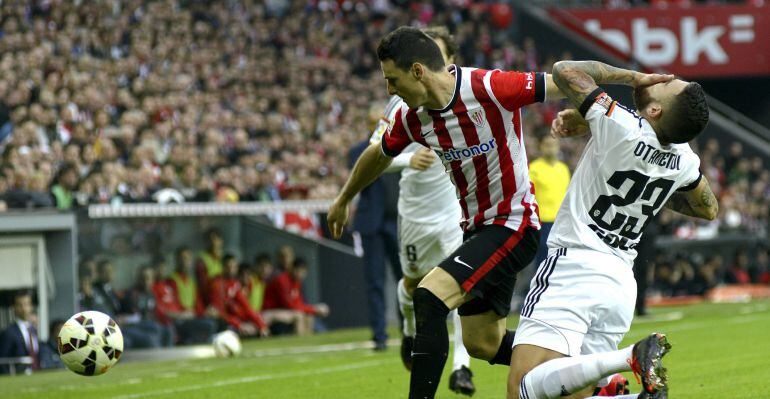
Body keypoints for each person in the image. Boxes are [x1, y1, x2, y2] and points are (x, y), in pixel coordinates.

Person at [327, 26, 565, 398]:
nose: (390, 89)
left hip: (511, 223)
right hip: (457, 222)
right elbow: (378, 152)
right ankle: (586, 367)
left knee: (430, 295)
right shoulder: (410, 114)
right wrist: (344, 197)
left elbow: (560, 81)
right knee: (483, 342)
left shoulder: (485, 88)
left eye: (393, 79)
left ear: (431, 67)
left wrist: (617, 91)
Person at [509, 60, 717, 399]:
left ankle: (628, 357)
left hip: (574, 266)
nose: (663, 78)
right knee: (571, 392)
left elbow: (564, 70)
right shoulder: (684, 160)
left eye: (666, 84)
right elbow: (708, 208)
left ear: (654, 109)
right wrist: (657, 187)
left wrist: (635, 77)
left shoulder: (620, 124)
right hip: (620, 282)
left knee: (523, 390)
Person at [368, 26, 476, 395]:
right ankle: (410, 328)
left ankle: (462, 367)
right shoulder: (401, 103)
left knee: (460, 288)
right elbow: (375, 148)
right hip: (415, 211)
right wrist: (408, 159)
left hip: (452, 210)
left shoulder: (467, 98)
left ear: (449, 61)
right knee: (414, 284)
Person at [348, 126, 403, 351]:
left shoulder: (402, 145)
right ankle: (379, 334)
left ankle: (409, 330)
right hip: (372, 222)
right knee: (375, 281)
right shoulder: (359, 151)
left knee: (405, 279)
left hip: (396, 220)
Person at [528, 135, 570, 268]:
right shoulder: (534, 168)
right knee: (542, 260)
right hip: (542, 221)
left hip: (560, 222)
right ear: (541, 146)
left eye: (554, 144)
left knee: (558, 260)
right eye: (547, 144)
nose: (551, 148)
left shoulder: (563, 169)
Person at [263, 258, 330, 335]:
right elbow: (289, 305)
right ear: (292, 269)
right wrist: (314, 309)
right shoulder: (282, 280)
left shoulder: (297, 282)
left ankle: (308, 342)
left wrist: (312, 310)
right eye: (298, 271)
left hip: (283, 311)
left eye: (303, 272)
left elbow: (299, 302)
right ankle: (300, 342)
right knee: (298, 315)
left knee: (309, 316)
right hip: (270, 312)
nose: (300, 274)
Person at [208, 254, 269, 337]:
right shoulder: (217, 284)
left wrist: (261, 325)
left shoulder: (234, 284)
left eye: (234, 267)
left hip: (233, 321)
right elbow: (218, 312)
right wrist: (238, 324)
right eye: (228, 266)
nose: (231, 269)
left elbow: (246, 306)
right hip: (220, 322)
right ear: (223, 267)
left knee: (254, 327)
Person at [0, 291, 40, 374]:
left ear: (31, 306)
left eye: (26, 304)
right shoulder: (8, 332)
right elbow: (3, 360)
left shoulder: (34, 329)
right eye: (19, 305)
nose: (24, 308)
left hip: (37, 373)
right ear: (14, 307)